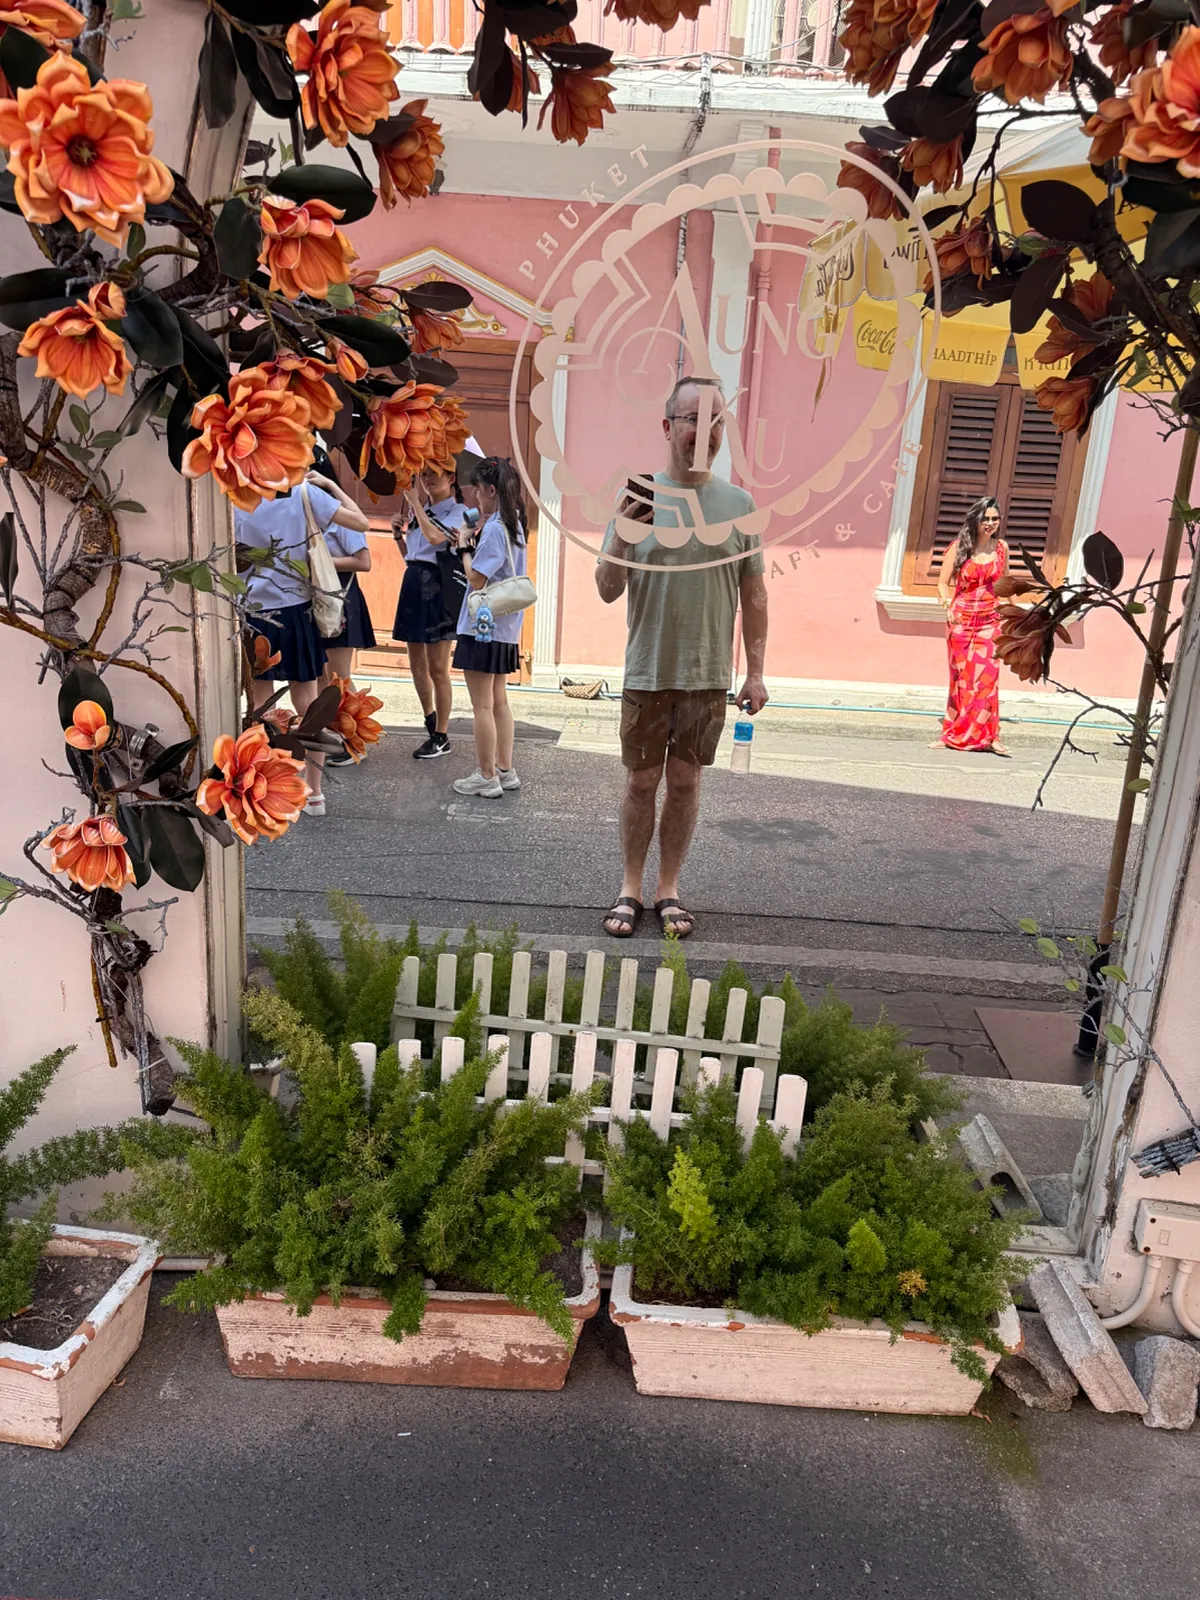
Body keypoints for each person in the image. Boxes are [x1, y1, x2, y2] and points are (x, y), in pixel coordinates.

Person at [596, 376, 768, 941]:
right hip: (647, 669)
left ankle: (668, 888)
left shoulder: (739, 505)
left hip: (707, 675)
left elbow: (754, 593)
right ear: (669, 426)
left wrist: (758, 671)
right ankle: (630, 886)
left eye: (717, 421)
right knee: (642, 781)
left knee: (686, 782)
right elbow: (606, 588)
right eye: (694, 418)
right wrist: (624, 537)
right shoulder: (638, 497)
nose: (706, 431)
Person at [236, 468, 371, 816]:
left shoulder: (233, 493)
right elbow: (361, 523)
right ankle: (314, 792)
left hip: (253, 611)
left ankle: (264, 786)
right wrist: (329, 485)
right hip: (297, 610)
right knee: (309, 703)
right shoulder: (301, 492)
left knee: (260, 705)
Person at [450, 455, 529, 799]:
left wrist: (465, 545)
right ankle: (504, 769)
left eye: (479, 491)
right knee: (498, 702)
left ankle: (486, 775)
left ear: (491, 490)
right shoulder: (514, 524)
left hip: (482, 627)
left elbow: (476, 579)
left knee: (481, 705)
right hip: (505, 628)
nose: (474, 498)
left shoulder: (495, 529)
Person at [391, 462, 468, 760]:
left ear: (451, 478)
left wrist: (415, 506)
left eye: (433, 475)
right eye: (423, 476)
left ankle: (442, 734)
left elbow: (437, 541)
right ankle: (430, 721)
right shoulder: (422, 513)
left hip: (438, 588)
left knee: (438, 667)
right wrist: (399, 535)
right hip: (413, 582)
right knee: (415, 662)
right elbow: (413, 557)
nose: (426, 481)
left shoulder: (459, 513)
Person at [932, 495, 1011, 757]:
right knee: (961, 680)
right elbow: (942, 583)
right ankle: (952, 733)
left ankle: (990, 736)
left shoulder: (1001, 549)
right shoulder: (959, 547)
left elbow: (1005, 583)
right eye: (985, 519)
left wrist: (1015, 614)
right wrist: (948, 606)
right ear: (975, 520)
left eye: (994, 519)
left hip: (991, 620)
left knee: (988, 679)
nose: (990, 524)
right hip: (961, 622)